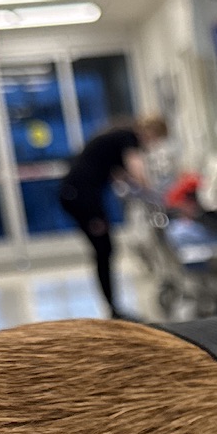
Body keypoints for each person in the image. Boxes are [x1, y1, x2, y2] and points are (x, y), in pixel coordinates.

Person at [57, 115, 169, 316]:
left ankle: (112, 307)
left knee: (105, 250)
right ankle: (112, 309)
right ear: (151, 132)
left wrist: (144, 192)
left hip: (78, 195)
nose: (152, 146)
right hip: (82, 198)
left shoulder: (116, 138)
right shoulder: (128, 137)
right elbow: (137, 173)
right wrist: (158, 197)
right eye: (155, 140)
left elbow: (123, 176)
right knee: (104, 249)